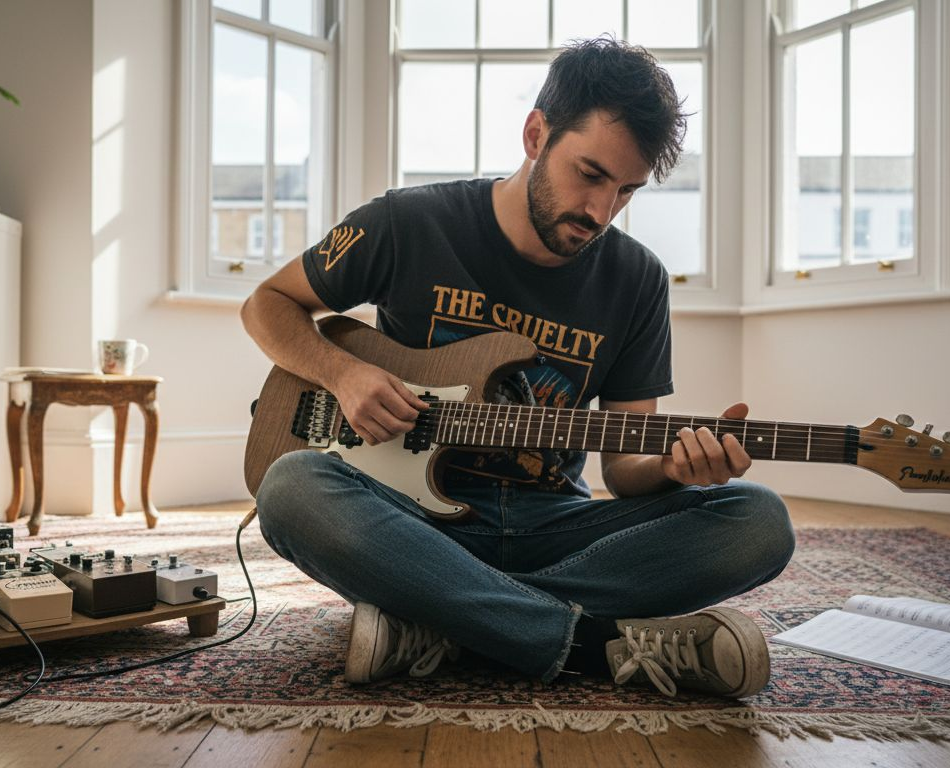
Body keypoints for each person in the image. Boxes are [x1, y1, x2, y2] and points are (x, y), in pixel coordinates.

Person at [240, 38, 795, 698]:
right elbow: (266, 304)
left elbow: (623, 469)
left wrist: (674, 469)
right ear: (536, 134)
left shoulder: (637, 279)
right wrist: (343, 374)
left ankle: (446, 619)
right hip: (408, 523)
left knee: (758, 522)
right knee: (290, 488)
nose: (601, 211)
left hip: (555, 529)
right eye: (590, 174)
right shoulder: (408, 222)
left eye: (626, 191)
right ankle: (591, 641)